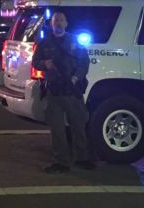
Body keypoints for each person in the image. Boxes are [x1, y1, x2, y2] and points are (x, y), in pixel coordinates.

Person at [32, 11, 94, 173]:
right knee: (57, 129)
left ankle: (82, 158)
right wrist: (45, 64)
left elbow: (84, 62)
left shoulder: (74, 41)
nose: (58, 23)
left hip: (71, 90)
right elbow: (35, 62)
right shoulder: (44, 43)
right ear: (51, 24)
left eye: (61, 20)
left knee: (78, 125)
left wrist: (76, 78)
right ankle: (62, 162)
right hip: (54, 90)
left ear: (66, 23)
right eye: (56, 21)